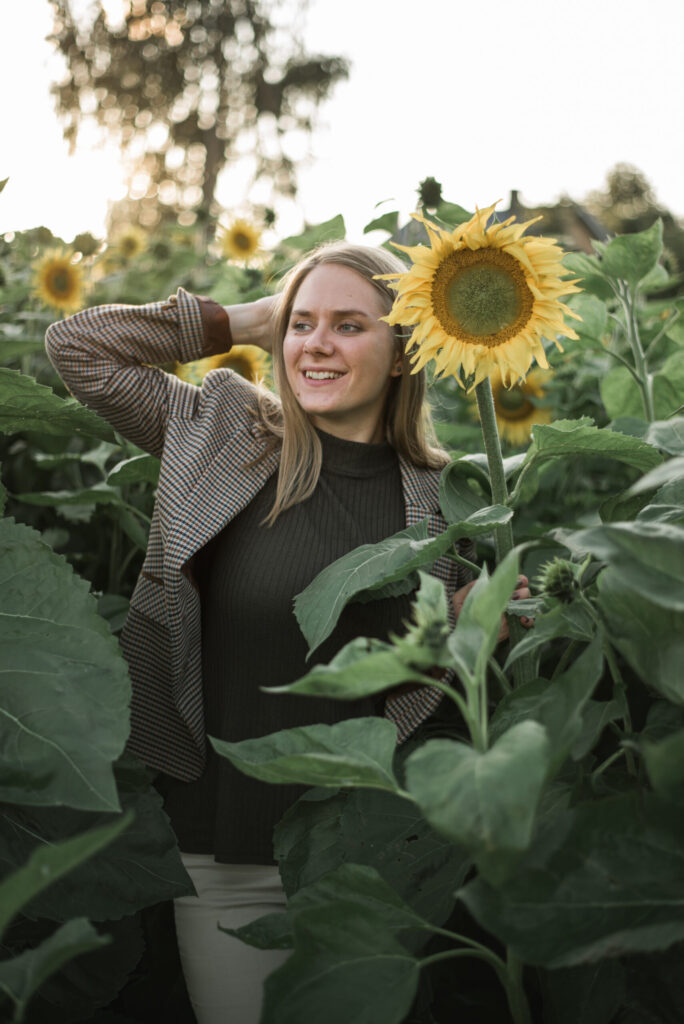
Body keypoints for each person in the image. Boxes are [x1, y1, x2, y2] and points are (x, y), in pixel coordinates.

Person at [46, 241, 530, 1024]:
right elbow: (77, 348)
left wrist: (472, 638)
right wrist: (252, 317)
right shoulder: (221, 433)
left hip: (375, 856)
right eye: (303, 325)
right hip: (224, 848)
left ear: (405, 352)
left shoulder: (453, 499)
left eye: (348, 324)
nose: (316, 344)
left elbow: (432, 702)